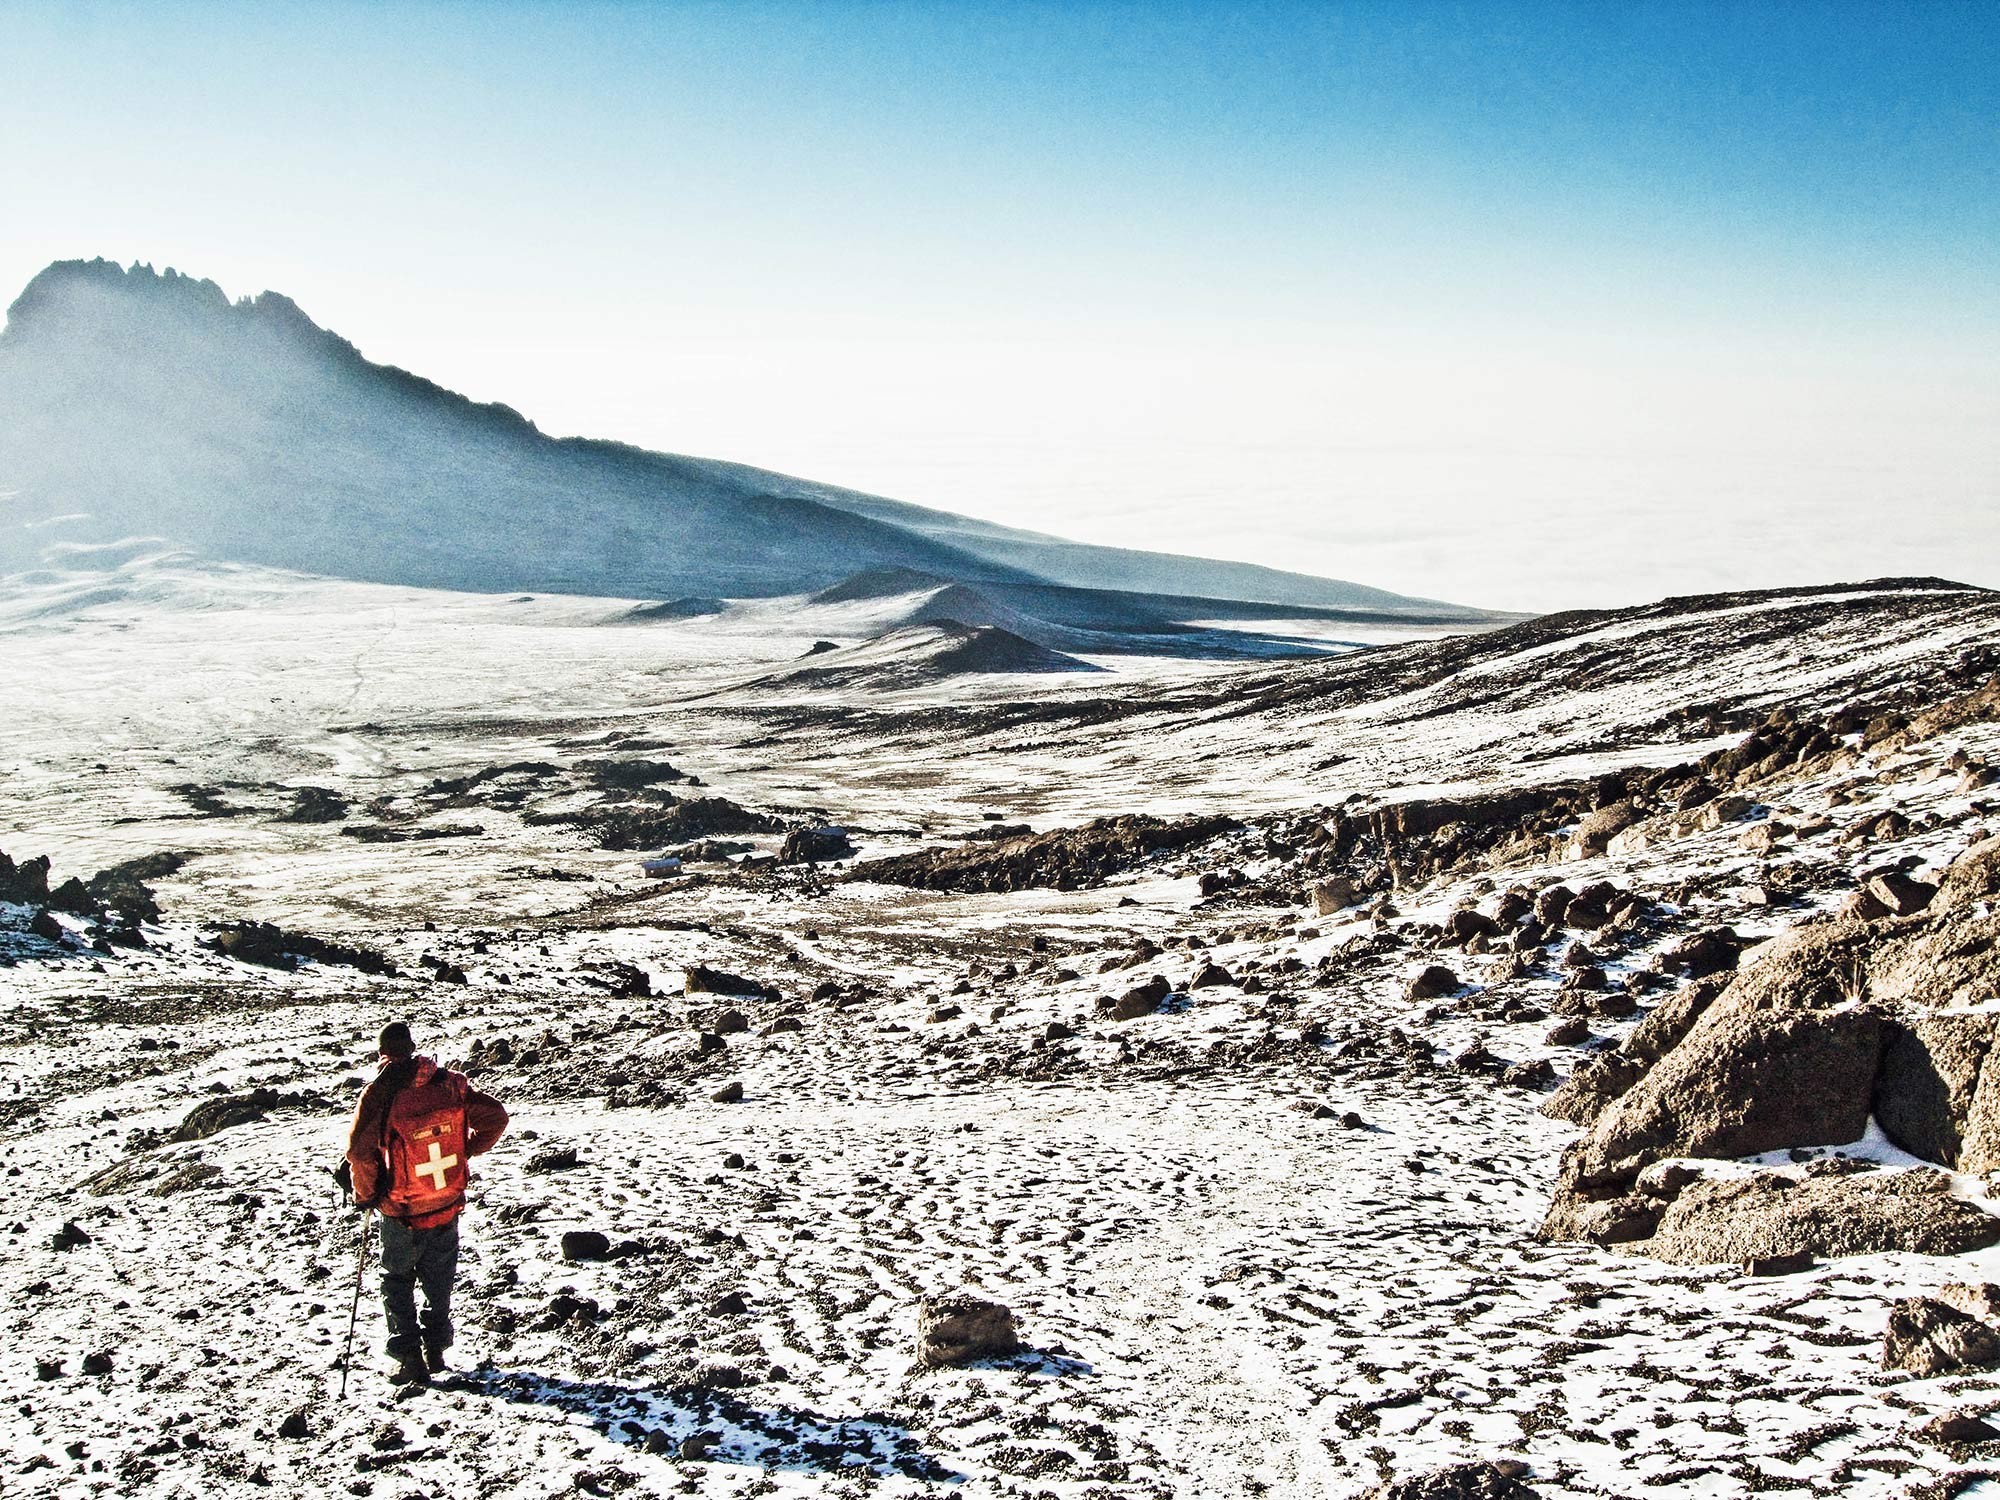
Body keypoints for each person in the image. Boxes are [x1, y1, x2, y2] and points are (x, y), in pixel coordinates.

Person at [345, 1021, 509, 1385]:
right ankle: (435, 1349)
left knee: (397, 1279)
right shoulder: (449, 1083)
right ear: (414, 1046)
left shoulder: (380, 1092)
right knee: (440, 1277)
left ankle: (409, 1358)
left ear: (382, 1053)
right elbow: (496, 1118)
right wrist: (463, 1151)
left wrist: (366, 1195)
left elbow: (359, 1153)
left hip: (401, 1209)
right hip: (447, 1200)